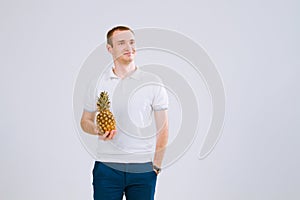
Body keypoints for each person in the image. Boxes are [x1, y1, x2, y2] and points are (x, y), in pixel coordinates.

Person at [80, 25, 169, 200]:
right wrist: (97, 129)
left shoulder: (152, 82)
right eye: (121, 43)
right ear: (109, 49)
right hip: (107, 167)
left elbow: (164, 128)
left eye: (132, 42)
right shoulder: (98, 82)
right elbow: (85, 121)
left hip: (142, 169)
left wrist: (156, 166)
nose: (129, 47)